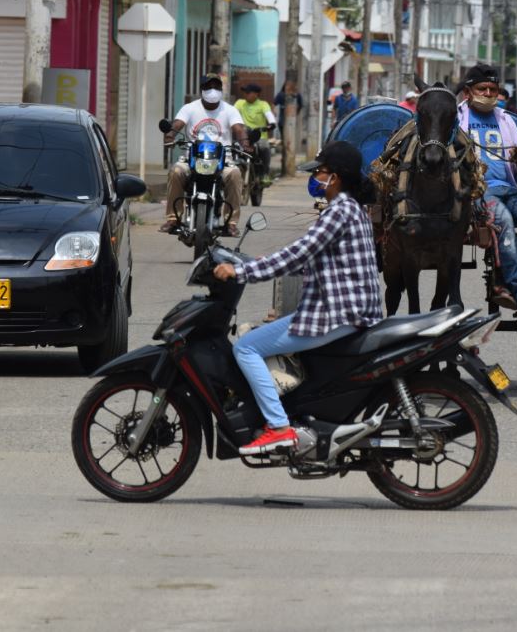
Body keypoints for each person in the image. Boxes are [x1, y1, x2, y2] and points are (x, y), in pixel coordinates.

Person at [212, 141, 382, 454]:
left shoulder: (339, 212)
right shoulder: (352, 208)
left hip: (337, 313)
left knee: (247, 348)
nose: (316, 178)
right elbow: (311, 257)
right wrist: (260, 261)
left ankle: (278, 427)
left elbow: (297, 254)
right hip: (350, 310)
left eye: (321, 172)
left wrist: (242, 272)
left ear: (337, 177)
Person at [459, 64, 517, 318]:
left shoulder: (505, 119)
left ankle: (504, 277)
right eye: (482, 88)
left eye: (493, 89)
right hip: (477, 192)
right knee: (504, 220)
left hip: (508, 188)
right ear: (468, 92)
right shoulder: (456, 119)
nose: (488, 94)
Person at [161, 74, 251, 236]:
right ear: (202, 89)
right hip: (192, 160)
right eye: (209, 87)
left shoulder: (230, 110)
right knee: (176, 171)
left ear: (221, 90)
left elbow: (239, 129)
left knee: (235, 174)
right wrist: (169, 136)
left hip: (223, 161)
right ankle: (173, 218)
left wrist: (245, 143)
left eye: (216, 87)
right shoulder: (189, 108)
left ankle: (231, 222)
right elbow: (177, 125)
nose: (213, 91)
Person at [234, 83, 276, 185]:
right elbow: (231, 113)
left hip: (259, 137)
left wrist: (270, 124)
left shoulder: (263, 105)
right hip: (243, 136)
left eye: (248, 92)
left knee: (264, 147)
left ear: (256, 94)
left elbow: (270, 117)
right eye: (245, 92)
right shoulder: (240, 103)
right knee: (231, 147)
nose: (245, 94)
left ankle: (264, 173)